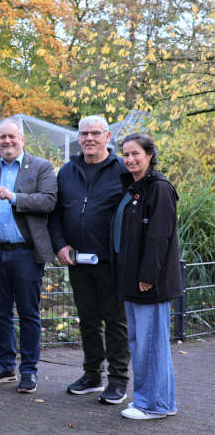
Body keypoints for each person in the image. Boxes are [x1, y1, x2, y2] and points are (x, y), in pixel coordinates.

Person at [0, 118, 57, 394]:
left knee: (29, 315)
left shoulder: (41, 167)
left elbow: (48, 201)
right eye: (3, 138)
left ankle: (29, 370)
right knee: (0, 313)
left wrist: (14, 197)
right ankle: (5, 365)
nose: (7, 141)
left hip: (25, 253)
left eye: (12, 137)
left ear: (22, 139)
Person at [50, 116, 130, 404]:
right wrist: (59, 246)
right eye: (84, 133)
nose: (89, 139)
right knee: (88, 320)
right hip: (77, 260)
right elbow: (57, 213)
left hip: (112, 261)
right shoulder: (67, 171)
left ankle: (119, 380)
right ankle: (92, 375)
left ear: (107, 136)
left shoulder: (123, 170)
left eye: (95, 133)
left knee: (116, 321)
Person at [114, 133, 181, 420]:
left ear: (150, 155)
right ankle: (155, 401)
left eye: (135, 154)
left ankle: (152, 405)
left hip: (149, 283)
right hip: (131, 281)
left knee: (150, 346)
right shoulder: (134, 187)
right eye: (126, 154)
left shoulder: (160, 188)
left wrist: (148, 276)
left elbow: (158, 237)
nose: (129, 159)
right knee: (141, 344)